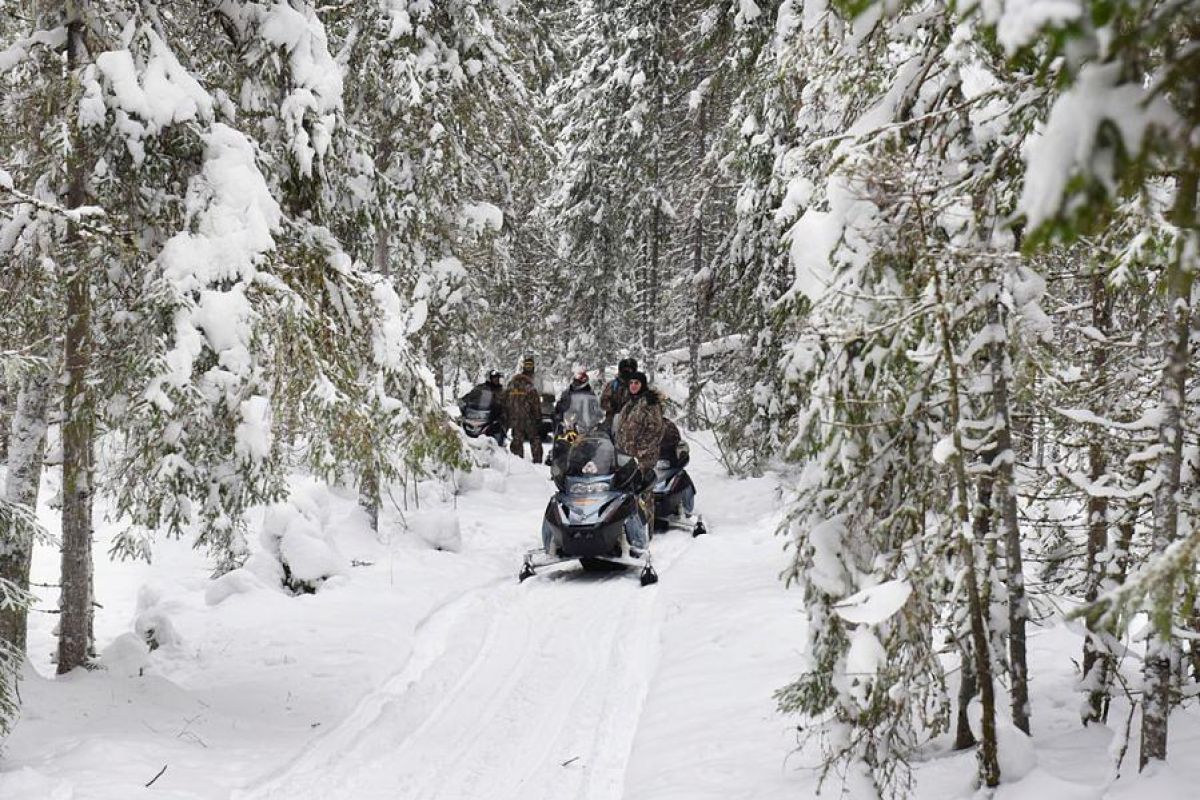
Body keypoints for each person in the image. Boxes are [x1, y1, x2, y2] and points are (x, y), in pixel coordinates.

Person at [614, 371, 666, 527]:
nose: (633, 386)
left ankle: (646, 526)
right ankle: (630, 527)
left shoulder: (649, 403)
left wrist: (641, 451)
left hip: (643, 457)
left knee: (643, 490)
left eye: (637, 383)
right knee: (628, 491)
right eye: (631, 383)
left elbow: (656, 430)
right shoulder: (629, 404)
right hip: (626, 456)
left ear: (642, 384)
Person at [505, 366, 544, 463]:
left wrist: (506, 416)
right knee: (534, 439)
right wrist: (538, 417)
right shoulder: (529, 387)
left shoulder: (511, 386)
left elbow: (504, 401)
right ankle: (537, 459)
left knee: (517, 439)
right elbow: (536, 404)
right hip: (529, 418)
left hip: (515, 418)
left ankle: (517, 460)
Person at [457, 370, 506, 444]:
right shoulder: (481, 388)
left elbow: (506, 403)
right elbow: (470, 396)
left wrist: (504, 409)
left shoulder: (501, 391)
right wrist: (463, 402)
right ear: (490, 378)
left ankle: (498, 446)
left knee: (498, 429)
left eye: (497, 378)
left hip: (492, 418)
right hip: (478, 416)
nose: (496, 380)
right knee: (461, 424)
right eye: (494, 378)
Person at [553, 366, 595, 433]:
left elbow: (594, 406)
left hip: (585, 422)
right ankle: (557, 438)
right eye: (577, 381)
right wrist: (559, 412)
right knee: (561, 432)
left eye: (580, 381)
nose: (577, 383)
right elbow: (561, 404)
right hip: (570, 421)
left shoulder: (590, 393)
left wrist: (595, 414)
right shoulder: (568, 392)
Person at [600, 357, 637, 426]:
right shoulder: (613, 384)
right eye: (625, 369)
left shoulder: (637, 385)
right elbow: (603, 402)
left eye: (630, 370)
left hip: (632, 421)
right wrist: (611, 405)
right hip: (612, 419)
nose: (627, 372)